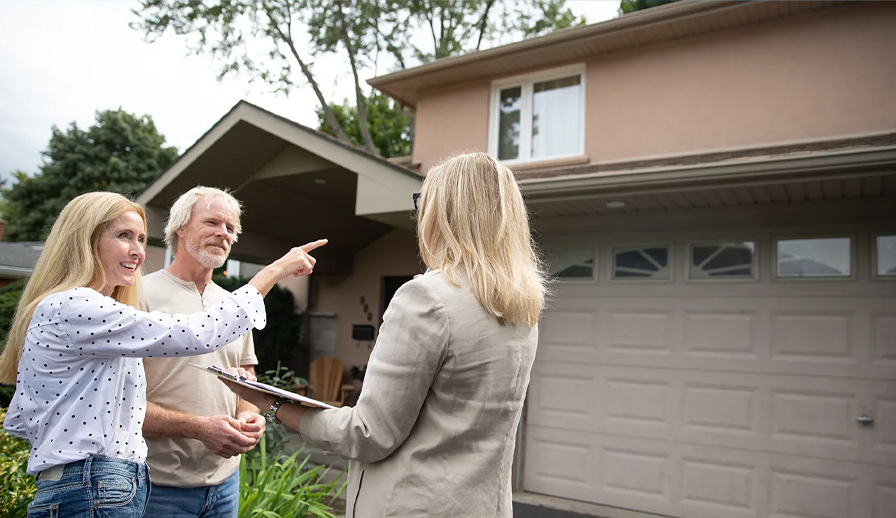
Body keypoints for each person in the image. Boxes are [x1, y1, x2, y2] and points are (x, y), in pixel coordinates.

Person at [224, 152, 549, 518]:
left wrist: (270, 402)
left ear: (443, 212)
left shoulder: (426, 298)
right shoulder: (523, 308)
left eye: (422, 201)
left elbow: (367, 434)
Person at [0, 191, 326, 517]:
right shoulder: (78, 306)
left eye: (141, 239)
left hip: (115, 481)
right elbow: (200, 333)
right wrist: (274, 271)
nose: (139, 251)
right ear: (85, 239)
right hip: (97, 484)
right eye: (124, 236)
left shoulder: (79, 307)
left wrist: (246, 406)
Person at [139, 187, 262, 516]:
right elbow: (117, 402)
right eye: (212, 222)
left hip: (225, 484)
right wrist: (198, 428)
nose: (223, 233)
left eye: (230, 228)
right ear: (179, 228)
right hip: (156, 485)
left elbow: (246, 377)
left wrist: (250, 414)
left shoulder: (235, 306)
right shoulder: (138, 295)